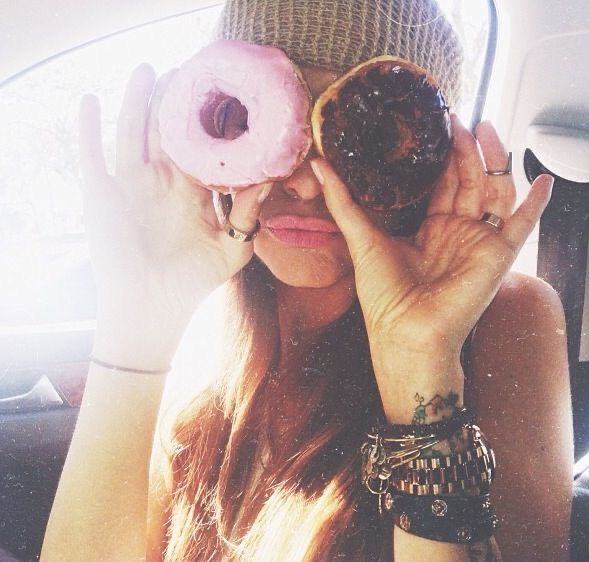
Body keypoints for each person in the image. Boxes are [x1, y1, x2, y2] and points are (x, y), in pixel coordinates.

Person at [41, 0, 574, 560]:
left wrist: (421, 367)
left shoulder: (504, 317)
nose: (306, 183)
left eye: (364, 138)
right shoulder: (199, 316)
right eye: (253, 122)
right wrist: (137, 320)